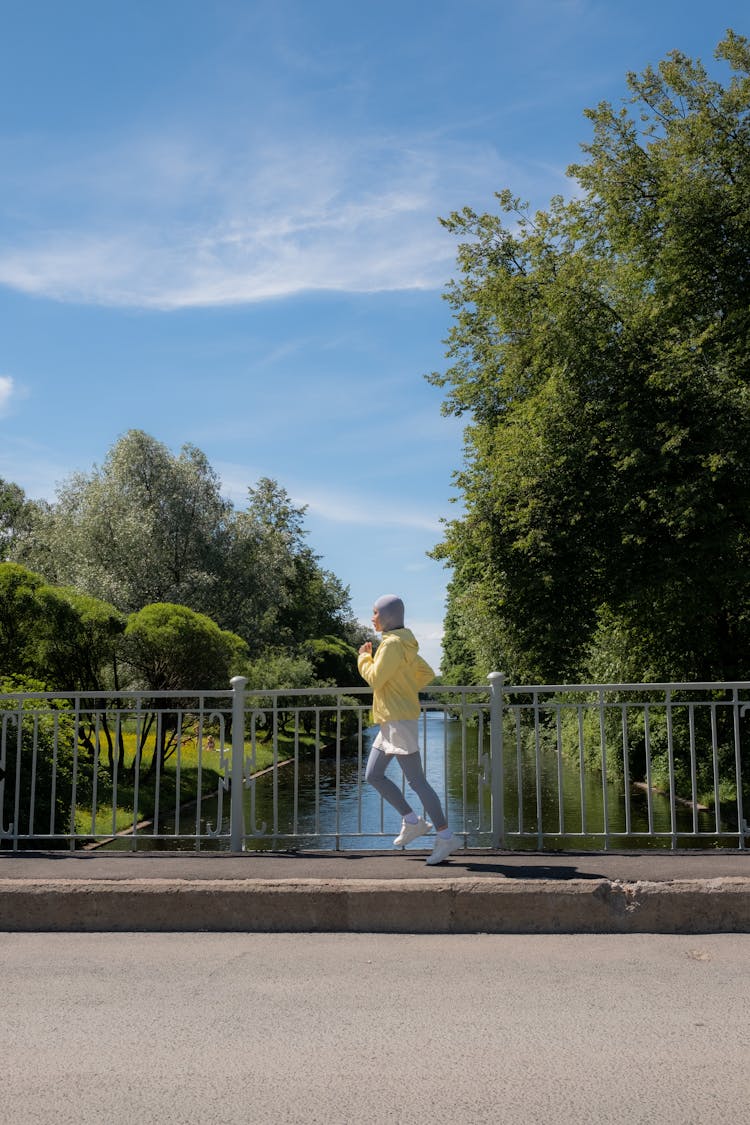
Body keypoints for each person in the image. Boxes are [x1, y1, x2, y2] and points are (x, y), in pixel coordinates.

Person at [358, 594, 458, 865]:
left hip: (398, 720)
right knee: (373, 775)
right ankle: (412, 821)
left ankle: (446, 836)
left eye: (375, 613)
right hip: (391, 720)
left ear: (386, 617)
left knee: (417, 782)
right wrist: (402, 688)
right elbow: (426, 673)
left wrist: (364, 658)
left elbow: (376, 679)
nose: (372, 618)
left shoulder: (391, 645)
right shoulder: (406, 644)